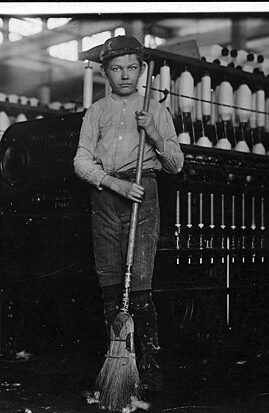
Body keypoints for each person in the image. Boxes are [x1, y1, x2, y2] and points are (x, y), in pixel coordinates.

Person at [73, 35, 184, 392]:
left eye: (132, 68)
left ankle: (149, 369)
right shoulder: (96, 112)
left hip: (143, 193)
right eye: (117, 68)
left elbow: (176, 165)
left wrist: (153, 133)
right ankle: (118, 363)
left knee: (138, 288)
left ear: (142, 70)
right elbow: (80, 161)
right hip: (106, 196)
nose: (125, 75)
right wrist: (112, 183)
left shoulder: (157, 110)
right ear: (105, 72)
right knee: (109, 287)